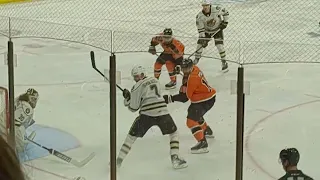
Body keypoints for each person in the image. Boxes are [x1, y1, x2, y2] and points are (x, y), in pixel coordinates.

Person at [116, 65, 187, 169]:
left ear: (141, 75)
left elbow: (133, 108)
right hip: (162, 112)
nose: (137, 78)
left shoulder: (136, 87)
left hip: (147, 115)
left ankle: (118, 162)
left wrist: (128, 99)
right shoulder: (155, 80)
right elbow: (150, 95)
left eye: (137, 76)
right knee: (173, 133)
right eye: (136, 76)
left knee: (131, 137)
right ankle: (175, 158)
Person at [163, 58, 215, 154]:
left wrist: (169, 99)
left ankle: (202, 143)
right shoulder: (195, 68)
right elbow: (186, 73)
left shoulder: (192, 79)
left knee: (191, 121)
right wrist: (179, 69)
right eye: (183, 68)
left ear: (191, 67)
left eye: (186, 68)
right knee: (195, 114)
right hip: (207, 97)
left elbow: (184, 98)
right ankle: (206, 130)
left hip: (204, 100)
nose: (184, 71)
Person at [194, 0, 229, 72]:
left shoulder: (217, 10)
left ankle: (224, 62)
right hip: (207, 32)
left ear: (210, 5)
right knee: (199, 45)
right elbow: (201, 30)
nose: (205, 7)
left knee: (220, 46)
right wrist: (203, 39)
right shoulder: (199, 16)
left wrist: (225, 22)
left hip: (217, 30)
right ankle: (196, 59)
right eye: (204, 6)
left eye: (207, 5)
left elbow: (226, 13)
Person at [14, 88, 38, 153]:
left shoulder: (19, 99)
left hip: (6, 123)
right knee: (20, 151)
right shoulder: (27, 107)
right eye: (33, 99)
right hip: (11, 127)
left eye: (35, 99)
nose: (34, 101)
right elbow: (15, 123)